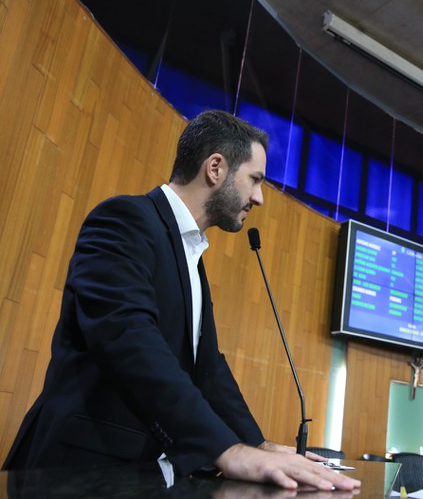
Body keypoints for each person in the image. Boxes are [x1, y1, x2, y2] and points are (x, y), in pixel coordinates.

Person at [1, 110, 360, 491]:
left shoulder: (191, 254)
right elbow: (129, 340)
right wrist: (227, 450)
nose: (258, 198)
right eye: (255, 180)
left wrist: (256, 444)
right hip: (78, 473)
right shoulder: (123, 220)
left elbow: (208, 369)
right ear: (216, 168)